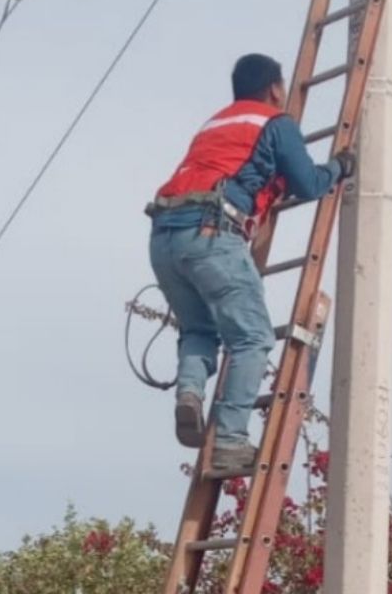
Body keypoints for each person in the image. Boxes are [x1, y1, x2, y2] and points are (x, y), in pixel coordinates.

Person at [146, 53, 355, 469]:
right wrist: (340, 167)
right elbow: (309, 184)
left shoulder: (216, 125)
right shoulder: (275, 124)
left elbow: (239, 173)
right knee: (253, 338)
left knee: (199, 329)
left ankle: (190, 392)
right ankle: (229, 441)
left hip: (164, 237)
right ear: (276, 88)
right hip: (211, 233)